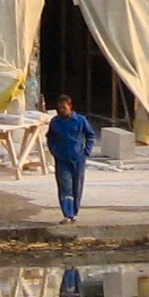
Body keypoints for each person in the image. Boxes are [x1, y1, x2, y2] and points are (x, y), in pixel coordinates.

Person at [46, 93, 97, 222]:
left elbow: (90, 135)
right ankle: (67, 213)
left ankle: (74, 212)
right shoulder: (55, 122)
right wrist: (54, 151)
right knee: (65, 186)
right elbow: (50, 138)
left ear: (70, 107)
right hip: (62, 159)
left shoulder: (80, 120)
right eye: (59, 108)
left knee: (77, 186)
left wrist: (86, 151)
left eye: (64, 108)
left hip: (78, 158)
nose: (61, 110)